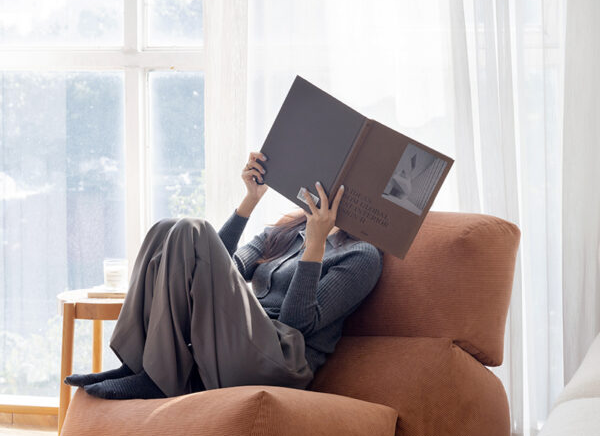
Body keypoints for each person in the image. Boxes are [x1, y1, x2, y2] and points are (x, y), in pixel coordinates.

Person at [65, 152, 384, 399]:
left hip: (278, 361)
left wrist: (315, 243)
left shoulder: (362, 255)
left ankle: (156, 379)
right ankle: (138, 366)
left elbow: (296, 324)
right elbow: (219, 266)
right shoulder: (287, 228)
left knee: (194, 229)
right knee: (165, 229)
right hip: (238, 341)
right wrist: (251, 200)